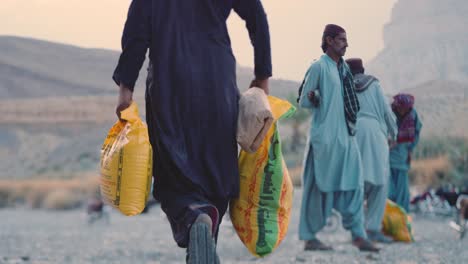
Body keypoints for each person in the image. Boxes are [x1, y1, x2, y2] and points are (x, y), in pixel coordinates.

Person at [112, 1, 272, 263]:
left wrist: (125, 90)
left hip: (169, 81)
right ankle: (204, 235)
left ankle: (196, 216)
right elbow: (256, 14)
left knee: (173, 171)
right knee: (216, 165)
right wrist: (262, 75)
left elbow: (136, 34)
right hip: (216, 76)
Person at [298, 24, 379, 252]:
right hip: (324, 139)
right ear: (329, 40)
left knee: (354, 184)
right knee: (317, 188)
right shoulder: (318, 67)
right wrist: (316, 96)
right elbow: (303, 100)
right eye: (342, 40)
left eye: (346, 40)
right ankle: (309, 237)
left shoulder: (343, 68)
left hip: (346, 137)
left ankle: (358, 234)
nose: (346, 44)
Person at [346, 58, 397, 243]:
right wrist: (394, 134)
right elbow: (387, 112)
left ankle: (357, 231)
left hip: (354, 134)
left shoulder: (345, 86)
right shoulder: (374, 85)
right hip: (376, 134)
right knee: (380, 182)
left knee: (356, 183)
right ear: (363, 69)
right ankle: (373, 229)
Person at [388, 93, 422, 212]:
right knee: (389, 191)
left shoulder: (412, 115)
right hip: (388, 158)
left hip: (402, 158)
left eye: (405, 109)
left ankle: (402, 217)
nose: (403, 111)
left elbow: (416, 133)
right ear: (397, 106)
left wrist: (410, 148)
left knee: (402, 193)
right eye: (401, 108)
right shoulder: (390, 113)